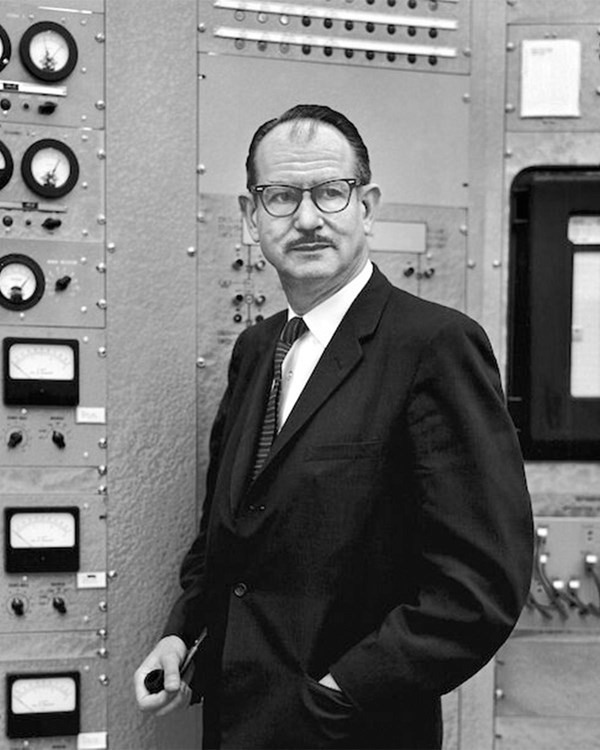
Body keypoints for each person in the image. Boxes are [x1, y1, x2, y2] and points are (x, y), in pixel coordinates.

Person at [134, 104, 533, 749]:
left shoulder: (434, 346)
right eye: (282, 196)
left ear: (367, 206)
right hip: (237, 725)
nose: (309, 217)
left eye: (331, 192)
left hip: (351, 733)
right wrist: (184, 635)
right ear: (251, 217)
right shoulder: (258, 350)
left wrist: (342, 692)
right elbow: (223, 536)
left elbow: (481, 585)